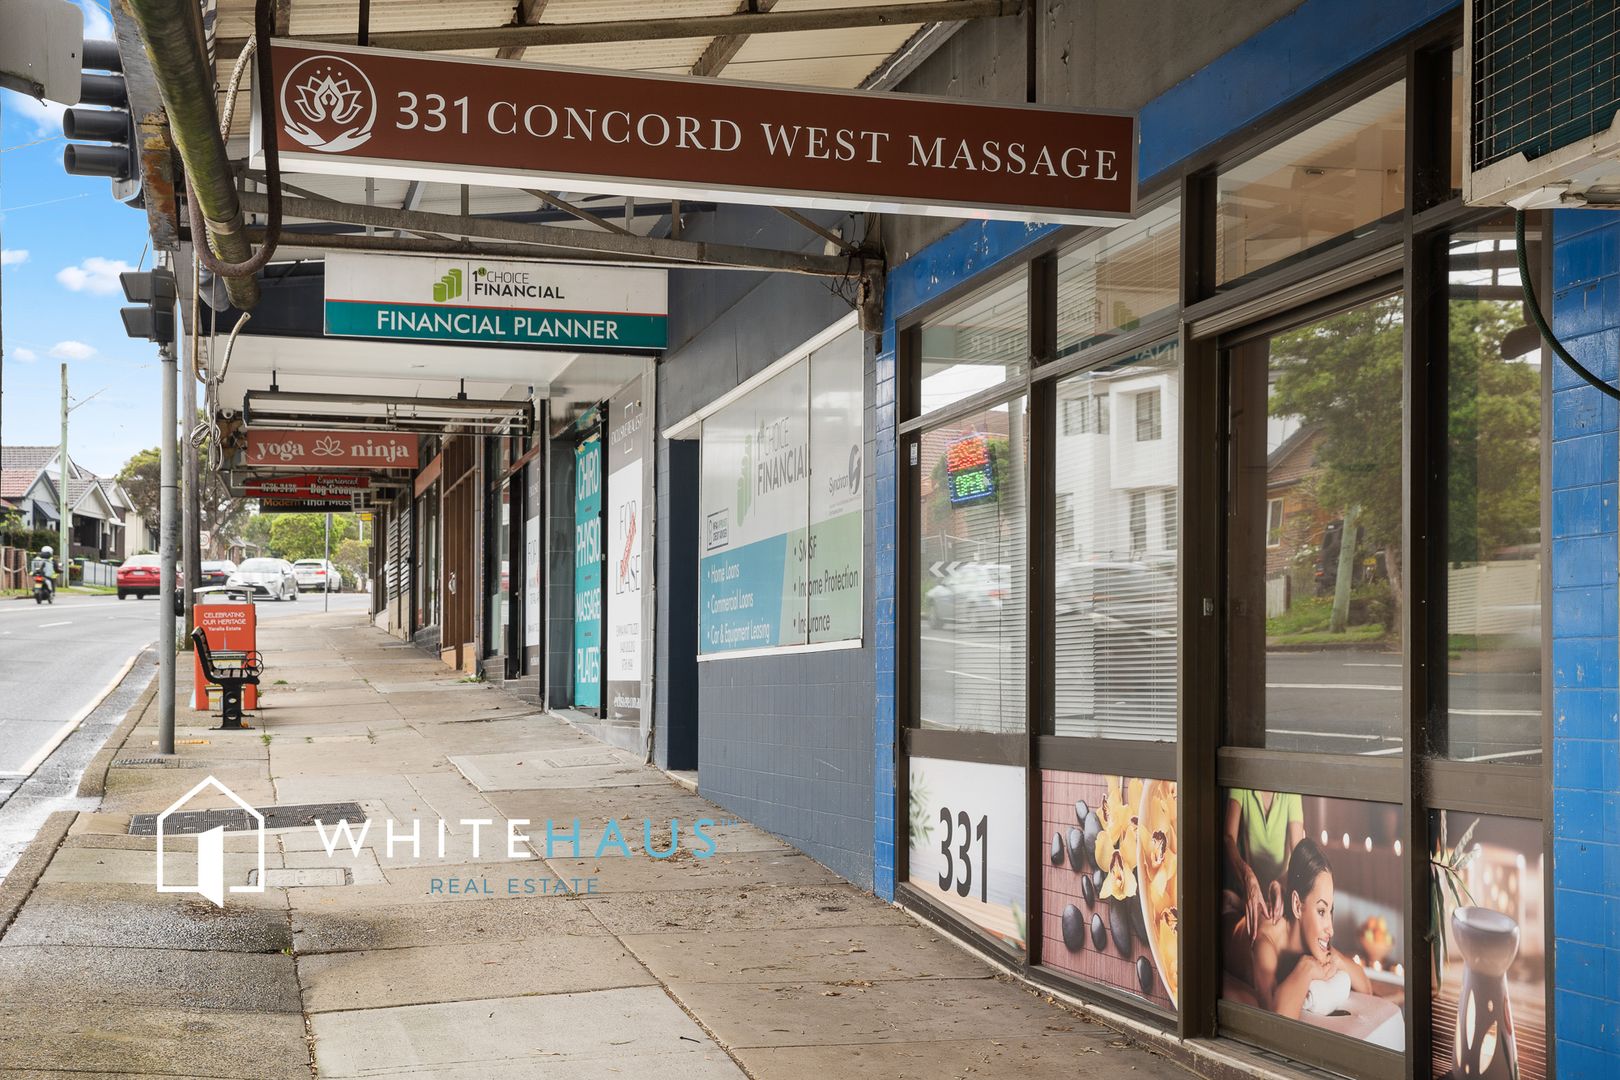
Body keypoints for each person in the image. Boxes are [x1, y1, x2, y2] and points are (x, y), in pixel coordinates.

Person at [1226, 837, 1371, 1018]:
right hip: (1224, 924)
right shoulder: (1266, 942)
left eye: (1330, 911)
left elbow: (1366, 988)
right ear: (1296, 905)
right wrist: (1306, 968)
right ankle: (1234, 901)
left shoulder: (1312, 940)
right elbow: (1275, 1018)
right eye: (1321, 911)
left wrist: (1338, 960)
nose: (1331, 929)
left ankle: (1237, 902)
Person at [1224, 787, 1304, 942]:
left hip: (1281, 895)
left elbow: (1298, 857)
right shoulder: (1243, 782)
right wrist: (1248, 877)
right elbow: (1228, 838)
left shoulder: (1291, 789)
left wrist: (1280, 884)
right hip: (1247, 892)